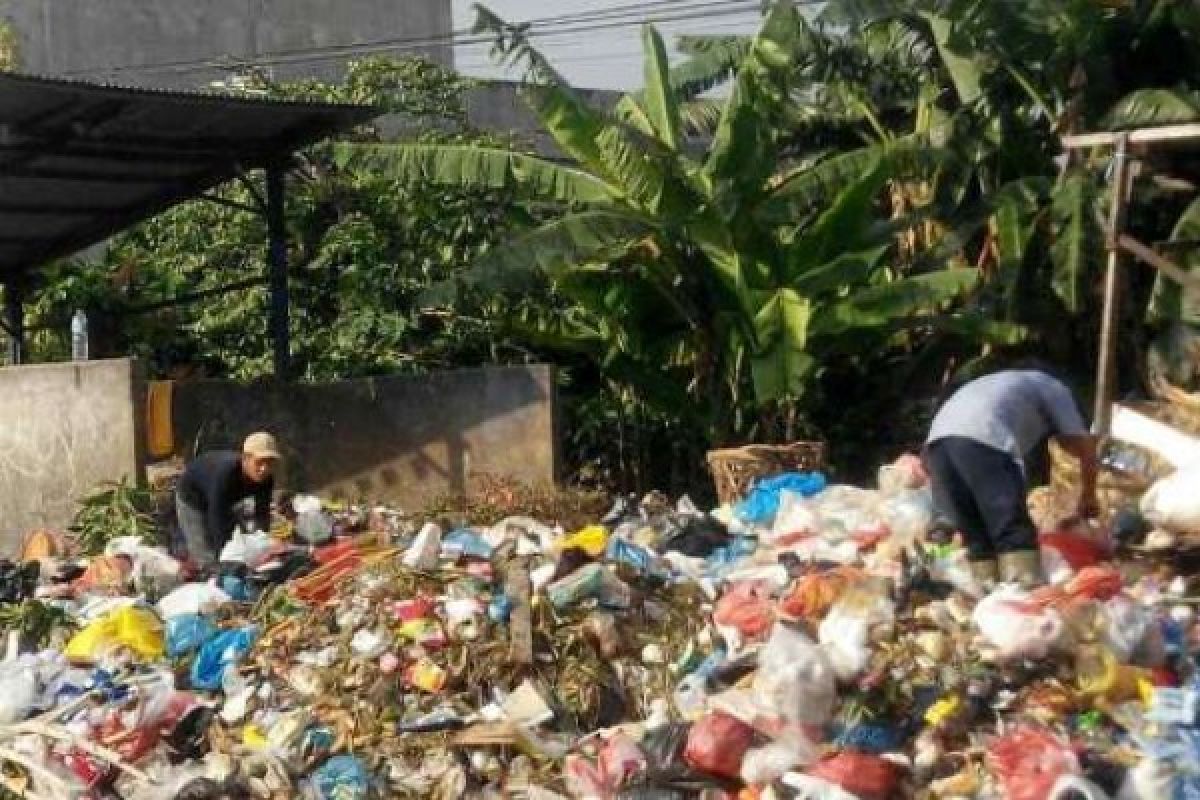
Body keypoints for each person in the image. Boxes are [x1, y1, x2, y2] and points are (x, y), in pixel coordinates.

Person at [923, 367, 1099, 588]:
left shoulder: (1006, 387)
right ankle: (1023, 593)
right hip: (983, 438)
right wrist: (1089, 496)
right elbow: (1083, 445)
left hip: (937, 445)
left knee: (976, 535)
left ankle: (984, 597)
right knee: (1012, 530)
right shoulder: (1055, 389)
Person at [175, 432, 281, 570]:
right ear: (245, 459)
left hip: (223, 500)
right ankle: (208, 578)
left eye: (269, 463)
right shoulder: (226, 474)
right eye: (259, 462)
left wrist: (263, 547)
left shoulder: (267, 479)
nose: (264, 469)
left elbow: (262, 514)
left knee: (237, 540)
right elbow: (216, 519)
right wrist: (226, 560)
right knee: (206, 555)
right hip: (192, 497)